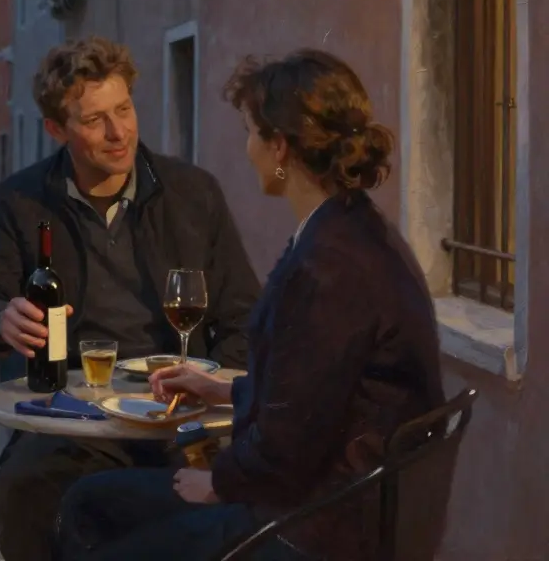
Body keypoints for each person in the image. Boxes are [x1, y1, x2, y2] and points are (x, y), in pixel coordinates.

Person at [55, 49, 446, 561]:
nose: (247, 150)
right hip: (330, 503)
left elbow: (285, 451)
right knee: (89, 499)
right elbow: (315, 392)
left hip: (307, 529)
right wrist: (221, 388)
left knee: (90, 519)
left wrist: (219, 482)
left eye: (250, 133)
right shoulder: (355, 229)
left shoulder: (329, 267)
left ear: (279, 147)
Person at [0, 36, 262, 561]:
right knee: (23, 485)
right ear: (56, 129)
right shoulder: (24, 200)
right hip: (77, 419)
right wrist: (0, 317)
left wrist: (207, 403)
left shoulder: (194, 193)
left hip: (180, 416)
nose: (119, 134)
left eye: (124, 109)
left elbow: (242, 316)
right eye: (94, 121)